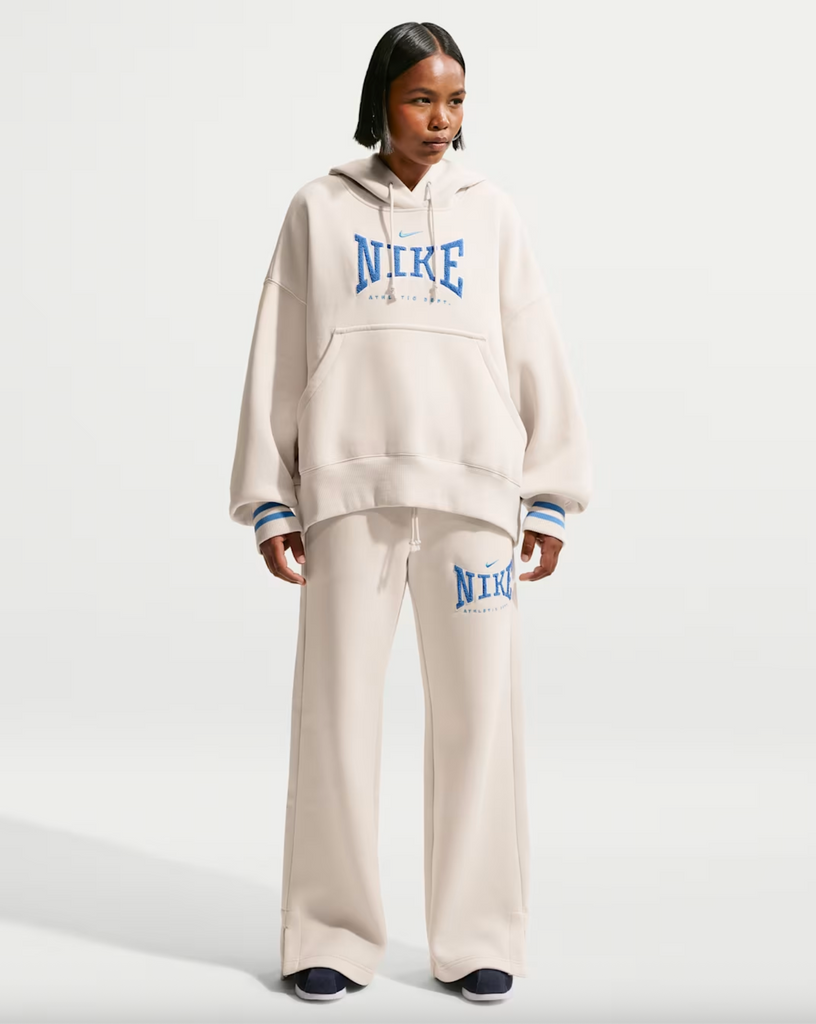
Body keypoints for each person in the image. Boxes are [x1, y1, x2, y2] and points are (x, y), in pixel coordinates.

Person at [228, 21, 592, 1004]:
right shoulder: (318, 209)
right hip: (350, 495)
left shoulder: (491, 213)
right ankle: (329, 933)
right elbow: (279, 349)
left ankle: (479, 935)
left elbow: (534, 346)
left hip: (475, 498)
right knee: (336, 717)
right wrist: (271, 498)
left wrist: (550, 491)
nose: (442, 120)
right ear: (380, 102)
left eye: (456, 101)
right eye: (422, 99)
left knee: (481, 723)